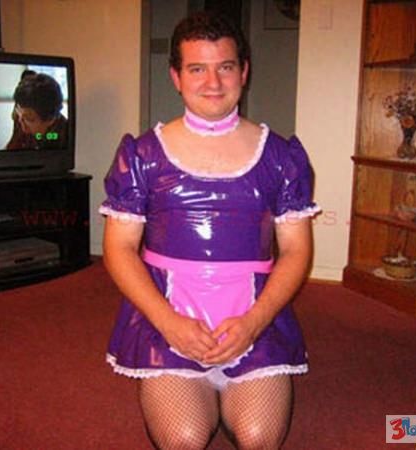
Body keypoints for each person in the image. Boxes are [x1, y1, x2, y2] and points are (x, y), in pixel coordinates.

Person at [100, 11, 319, 450]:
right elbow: (119, 249)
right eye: (197, 69)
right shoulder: (142, 155)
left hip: (253, 316)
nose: (213, 83)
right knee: (183, 438)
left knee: (259, 437)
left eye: (226, 67)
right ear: (176, 77)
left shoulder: (281, 157)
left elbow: (296, 251)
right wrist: (169, 324)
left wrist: (254, 323)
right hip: (169, 317)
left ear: (244, 72)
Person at [5, 72, 68, 150]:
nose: (21, 124)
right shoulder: (20, 118)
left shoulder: (66, 138)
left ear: (50, 119)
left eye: (29, 119)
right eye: (18, 112)